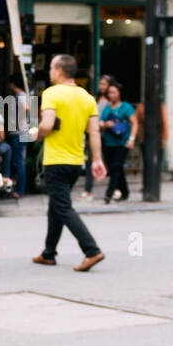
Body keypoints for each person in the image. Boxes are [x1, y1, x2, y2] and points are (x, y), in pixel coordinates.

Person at [34, 54, 105, 271]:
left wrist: (33, 134)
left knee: (63, 208)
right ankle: (48, 253)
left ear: (59, 70)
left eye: (51, 67)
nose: (49, 71)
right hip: (76, 162)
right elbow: (94, 132)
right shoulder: (87, 97)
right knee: (56, 207)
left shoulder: (51, 94)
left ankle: (91, 250)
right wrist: (97, 160)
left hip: (56, 161)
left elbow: (46, 126)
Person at [99, 79, 136, 204]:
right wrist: (105, 124)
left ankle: (109, 193)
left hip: (122, 141)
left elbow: (135, 123)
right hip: (109, 142)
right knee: (115, 168)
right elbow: (100, 123)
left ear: (119, 93)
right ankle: (125, 192)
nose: (111, 95)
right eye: (109, 93)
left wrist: (131, 139)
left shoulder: (126, 107)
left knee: (116, 166)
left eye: (114, 92)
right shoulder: (107, 108)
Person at [6, 77, 30, 198]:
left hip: (19, 133)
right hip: (23, 133)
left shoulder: (20, 96)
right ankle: (18, 187)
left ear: (13, 84)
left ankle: (20, 190)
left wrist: (17, 122)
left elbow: (26, 108)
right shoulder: (24, 95)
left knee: (18, 161)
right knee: (19, 160)